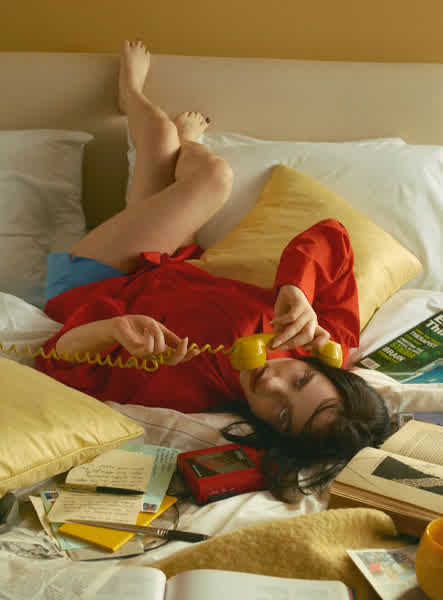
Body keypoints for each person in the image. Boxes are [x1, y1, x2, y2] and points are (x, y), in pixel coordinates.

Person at [36, 40, 391, 499]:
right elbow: (331, 238)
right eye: (301, 380)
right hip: (165, 261)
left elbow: (56, 363)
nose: (273, 383)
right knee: (171, 150)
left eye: (283, 414)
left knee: (201, 170)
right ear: (329, 370)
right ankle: (178, 142)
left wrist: (113, 330)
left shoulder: (188, 395)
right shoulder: (323, 335)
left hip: (99, 280)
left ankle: (139, 101)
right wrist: (298, 290)